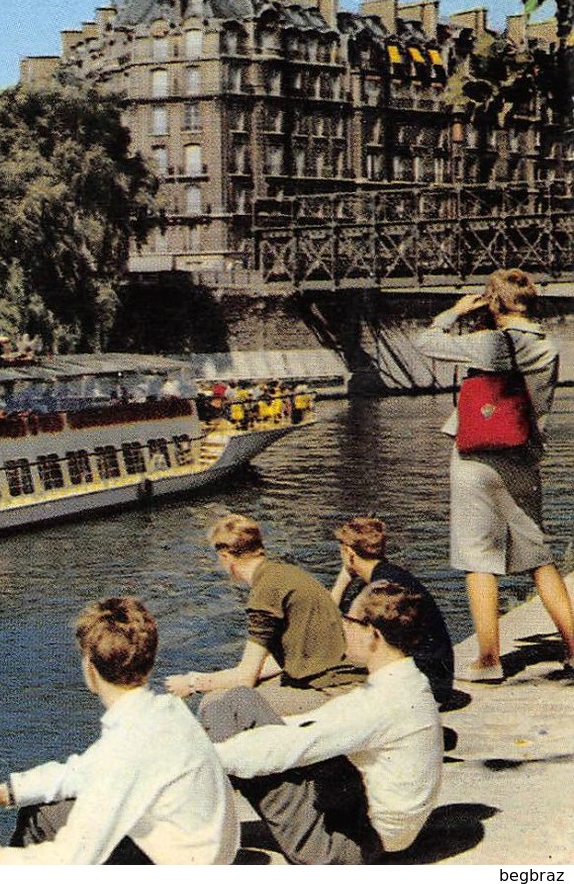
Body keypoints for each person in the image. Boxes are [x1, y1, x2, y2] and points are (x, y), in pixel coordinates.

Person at [0, 597, 239, 866]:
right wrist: (2, 793)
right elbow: (84, 771)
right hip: (205, 850)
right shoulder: (164, 711)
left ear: (89, 667)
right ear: (149, 662)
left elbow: (74, 858)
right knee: (41, 808)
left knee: (39, 825)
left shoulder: (127, 744)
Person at [199, 581, 443, 864]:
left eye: (350, 621)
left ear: (373, 635)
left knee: (222, 718)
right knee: (238, 700)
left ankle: (195, 837)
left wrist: (197, 757)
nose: (343, 628)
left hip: (349, 845)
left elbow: (290, 747)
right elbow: (319, 723)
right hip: (369, 817)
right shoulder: (405, 681)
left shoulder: (382, 702)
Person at [413, 268, 574, 681]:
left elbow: (425, 343)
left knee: (478, 557)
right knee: (537, 555)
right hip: (523, 454)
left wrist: (454, 311)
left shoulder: (488, 343)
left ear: (494, 302)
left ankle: (488, 659)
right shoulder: (547, 346)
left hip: (475, 455)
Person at [167, 515, 363, 714]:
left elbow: (246, 677)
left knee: (216, 704)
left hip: (332, 689)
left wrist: (193, 684)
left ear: (225, 557)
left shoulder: (265, 592)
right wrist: (212, 678)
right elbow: (281, 661)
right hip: (345, 679)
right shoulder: (283, 573)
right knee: (225, 693)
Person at [329, 516, 454, 707]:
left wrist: (344, 577)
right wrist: (347, 576)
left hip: (425, 687)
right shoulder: (389, 574)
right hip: (438, 677)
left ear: (348, 552)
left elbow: (337, 632)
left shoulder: (377, 587)